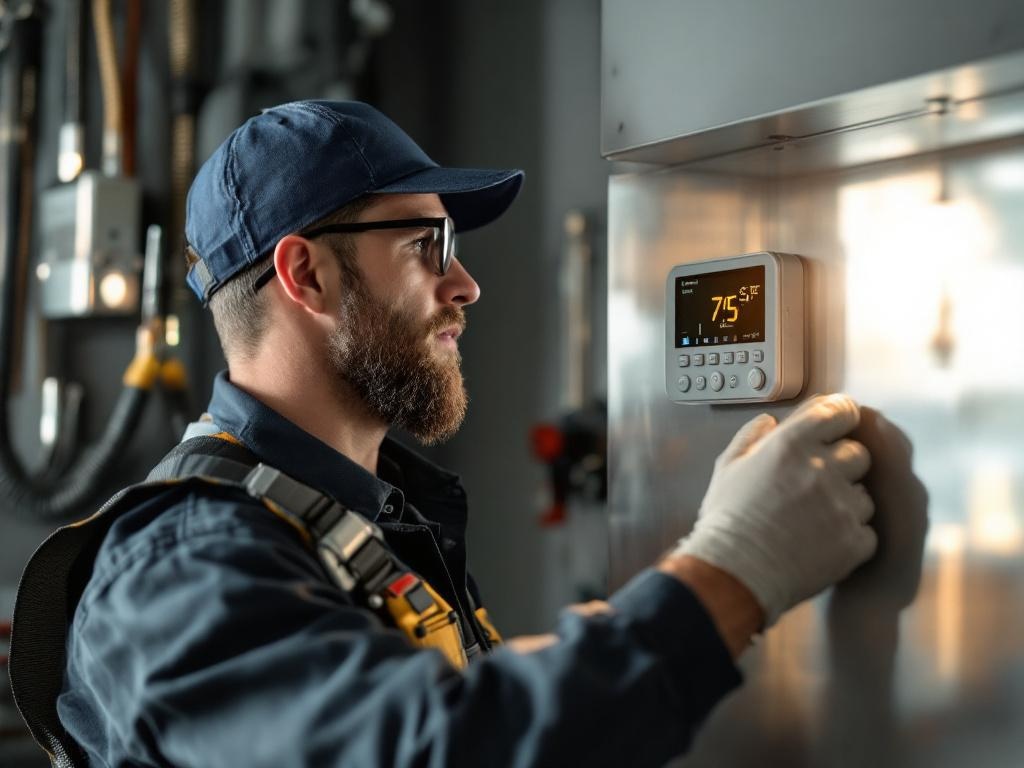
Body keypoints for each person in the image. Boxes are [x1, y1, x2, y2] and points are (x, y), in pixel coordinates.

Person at [51, 101, 880, 767]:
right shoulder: (186, 563)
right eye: (426, 244)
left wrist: (565, 675)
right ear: (306, 274)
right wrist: (734, 570)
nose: (467, 284)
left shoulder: (352, 520)